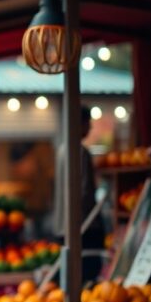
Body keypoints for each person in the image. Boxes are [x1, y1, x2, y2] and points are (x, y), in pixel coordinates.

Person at [53, 106, 106, 285]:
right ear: (79, 123)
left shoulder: (62, 150)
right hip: (82, 226)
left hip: (63, 226)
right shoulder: (80, 152)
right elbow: (84, 193)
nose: (90, 128)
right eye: (87, 123)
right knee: (86, 276)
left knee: (70, 277)